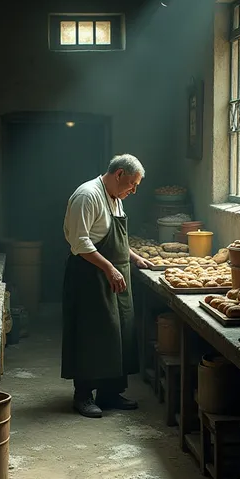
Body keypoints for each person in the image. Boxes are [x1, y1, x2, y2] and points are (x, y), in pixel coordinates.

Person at [61, 154, 150, 418]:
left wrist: (133, 257)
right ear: (119, 174)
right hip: (91, 275)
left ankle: (110, 393)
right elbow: (80, 243)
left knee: (118, 333)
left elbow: (114, 236)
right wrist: (109, 268)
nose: (133, 191)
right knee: (92, 334)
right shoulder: (88, 196)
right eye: (132, 184)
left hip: (115, 276)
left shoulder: (116, 198)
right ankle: (83, 395)